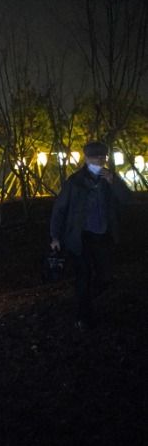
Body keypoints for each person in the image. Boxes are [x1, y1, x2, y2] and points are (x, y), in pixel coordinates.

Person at [50, 141, 131, 331]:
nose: (99, 161)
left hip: (102, 235)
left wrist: (114, 181)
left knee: (104, 278)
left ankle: (84, 300)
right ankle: (83, 316)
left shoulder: (109, 178)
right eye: (95, 157)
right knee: (83, 276)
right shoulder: (75, 181)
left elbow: (127, 198)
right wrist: (55, 236)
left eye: (102, 157)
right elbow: (59, 209)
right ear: (86, 159)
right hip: (80, 236)